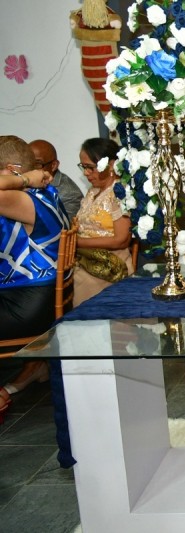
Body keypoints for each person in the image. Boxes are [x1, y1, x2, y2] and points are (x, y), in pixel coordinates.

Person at [0, 136, 70, 422]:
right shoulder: (46, 193)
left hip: (26, 305)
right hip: (38, 300)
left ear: (11, 170)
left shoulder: (24, 197)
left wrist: (24, 178)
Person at [73, 137, 132, 306]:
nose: (86, 173)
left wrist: (77, 242)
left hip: (109, 266)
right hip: (85, 261)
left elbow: (121, 240)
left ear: (111, 164)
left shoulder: (119, 192)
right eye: (83, 167)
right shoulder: (93, 192)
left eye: (90, 167)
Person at [29, 139, 84, 221]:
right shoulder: (25, 182)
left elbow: (64, 227)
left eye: (37, 164)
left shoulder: (70, 194)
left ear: (53, 165)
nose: (30, 170)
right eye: (28, 163)